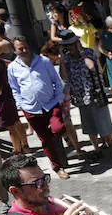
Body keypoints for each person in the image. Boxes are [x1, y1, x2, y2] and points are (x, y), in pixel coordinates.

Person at [7, 37, 69, 180]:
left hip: (51, 104)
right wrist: (20, 104)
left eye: (25, 47)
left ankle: (61, 136)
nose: (24, 50)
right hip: (31, 108)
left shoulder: (43, 61)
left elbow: (57, 81)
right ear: (15, 50)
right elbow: (14, 88)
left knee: (58, 129)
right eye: (20, 48)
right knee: (45, 140)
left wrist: (59, 97)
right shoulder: (12, 68)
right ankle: (58, 167)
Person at [59, 32, 112, 158]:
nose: (69, 48)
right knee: (89, 125)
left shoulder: (88, 52)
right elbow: (64, 76)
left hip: (95, 93)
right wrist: (62, 59)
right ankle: (96, 149)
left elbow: (91, 66)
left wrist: (81, 51)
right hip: (80, 97)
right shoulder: (67, 58)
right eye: (67, 45)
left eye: (71, 44)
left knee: (104, 122)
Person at [0, 47, 27, 154]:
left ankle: (17, 151)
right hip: (8, 95)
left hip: (0, 99)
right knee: (16, 122)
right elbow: (10, 64)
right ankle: (25, 146)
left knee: (10, 127)